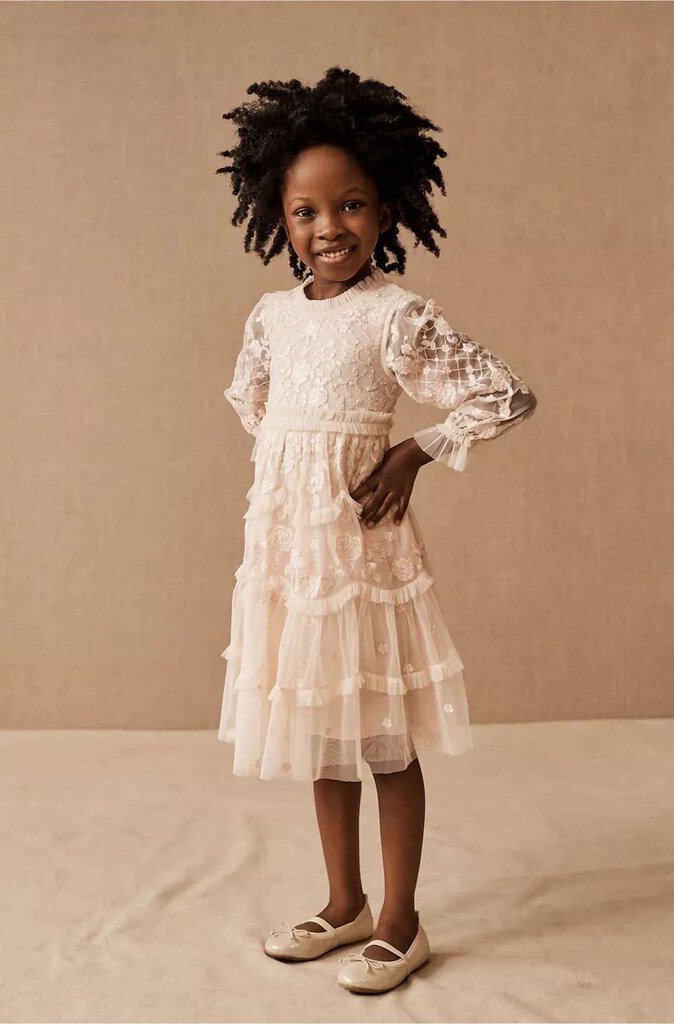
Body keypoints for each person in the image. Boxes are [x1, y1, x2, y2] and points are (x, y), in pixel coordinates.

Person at [216, 66, 537, 994]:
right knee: (323, 728)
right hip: (296, 555)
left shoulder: (395, 316)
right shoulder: (272, 316)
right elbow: (254, 404)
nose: (330, 228)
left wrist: (412, 451)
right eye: (307, 212)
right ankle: (343, 901)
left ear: (387, 209)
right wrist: (295, 482)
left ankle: (401, 920)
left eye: (351, 205)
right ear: (279, 219)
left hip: (364, 550)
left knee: (384, 736)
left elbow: (505, 393)